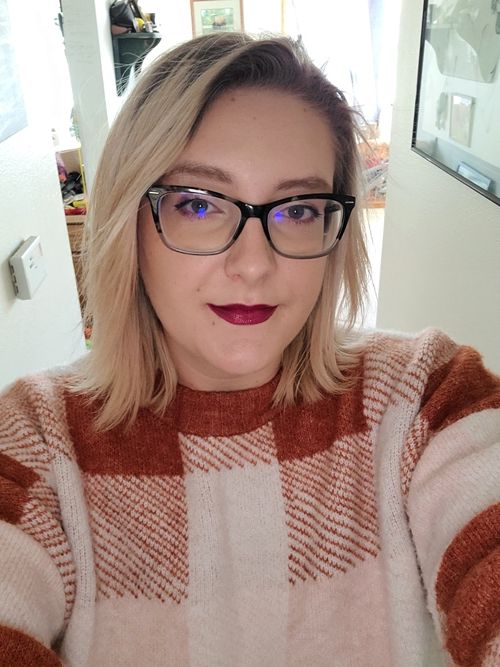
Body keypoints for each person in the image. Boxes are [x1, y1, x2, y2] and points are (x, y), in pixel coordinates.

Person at [0, 32, 499, 667]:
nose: (254, 264)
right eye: (198, 204)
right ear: (130, 221)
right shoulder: (35, 440)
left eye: (298, 210)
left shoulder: (425, 396)